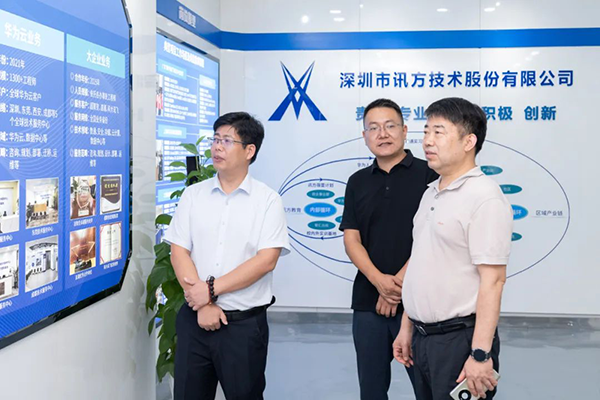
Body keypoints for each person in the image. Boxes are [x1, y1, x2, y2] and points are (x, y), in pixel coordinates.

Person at [393, 97, 513, 400]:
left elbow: (493, 280)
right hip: (422, 339)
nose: (427, 141)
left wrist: (480, 354)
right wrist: (407, 326)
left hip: (460, 341)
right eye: (426, 132)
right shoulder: (431, 193)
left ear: (468, 141)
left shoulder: (484, 197)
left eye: (439, 132)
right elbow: (421, 265)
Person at [164, 111, 290, 400]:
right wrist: (203, 303)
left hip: (242, 327)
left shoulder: (268, 200)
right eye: (215, 139)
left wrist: (209, 291)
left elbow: (266, 260)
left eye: (227, 141)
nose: (217, 147)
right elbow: (179, 250)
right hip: (194, 321)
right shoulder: (193, 195)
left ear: (249, 150)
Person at [340, 98, 438, 400]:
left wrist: (396, 286)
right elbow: (351, 240)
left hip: (419, 302)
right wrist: (379, 282)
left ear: (405, 131)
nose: (382, 134)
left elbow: (432, 238)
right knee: (371, 389)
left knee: (426, 386)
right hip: (368, 301)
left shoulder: (430, 175)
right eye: (373, 128)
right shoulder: (357, 181)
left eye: (390, 126)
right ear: (364, 136)